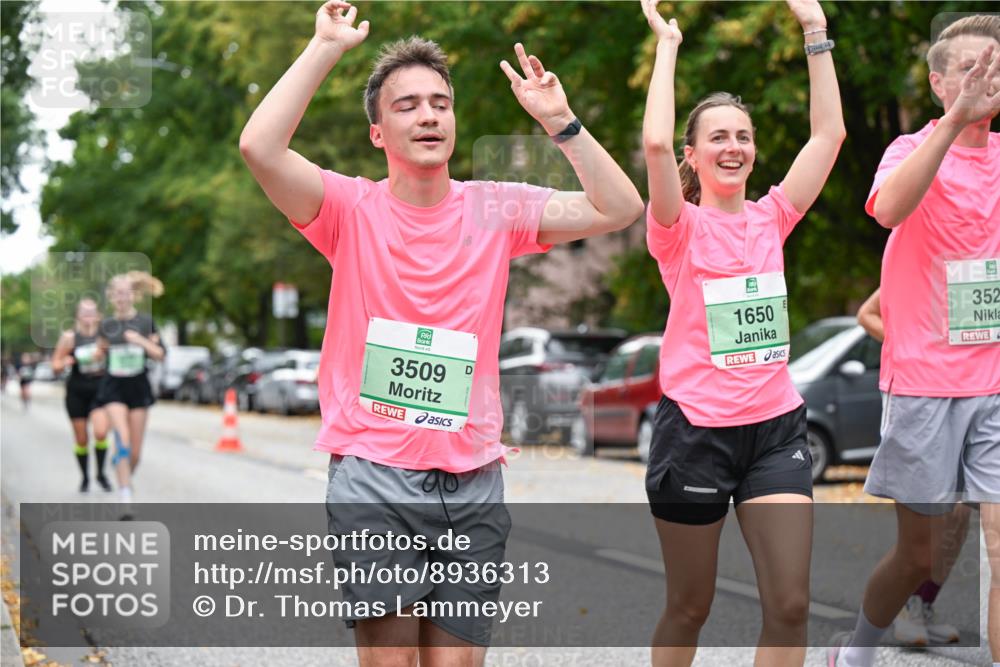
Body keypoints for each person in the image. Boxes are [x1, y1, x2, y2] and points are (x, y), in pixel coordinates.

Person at [240, 1, 643, 663]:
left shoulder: (496, 208)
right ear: (377, 132)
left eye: (440, 102)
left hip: (473, 477)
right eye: (407, 105)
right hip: (374, 473)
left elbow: (620, 207)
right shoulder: (347, 208)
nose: (428, 115)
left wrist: (559, 123)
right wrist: (324, 47)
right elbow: (259, 147)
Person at [640, 0, 844, 664]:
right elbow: (650, 145)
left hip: (775, 429)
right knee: (690, 606)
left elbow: (829, 136)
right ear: (692, 156)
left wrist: (815, 30)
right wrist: (667, 46)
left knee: (790, 605)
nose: (734, 146)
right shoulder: (677, 228)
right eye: (718, 137)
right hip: (694, 432)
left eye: (743, 136)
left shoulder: (773, 217)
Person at [828, 14, 1000, 667]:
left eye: (996, 68)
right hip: (926, 383)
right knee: (918, 557)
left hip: (996, 381)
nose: (985, 79)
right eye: (969, 68)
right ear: (937, 82)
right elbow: (889, 208)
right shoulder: (908, 148)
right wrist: (955, 122)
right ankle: (860, 650)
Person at [857, 288, 969, 647]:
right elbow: (866, 314)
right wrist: (917, 347)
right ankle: (904, 609)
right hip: (922, 395)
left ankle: (922, 601)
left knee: (961, 516)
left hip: (973, 393)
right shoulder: (920, 256)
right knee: (934, 519)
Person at [95, 272, 165, 513]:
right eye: (117, 293)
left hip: (138, 386)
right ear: (111, 297)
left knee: (135, 452)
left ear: (133, 295)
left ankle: (125, 478)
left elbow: (160, 353)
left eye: (125, 293)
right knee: (122, 437)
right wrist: (96, 354)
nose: (121, 298)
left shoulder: (146, 322)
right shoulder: (106, 325)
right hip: (113, 385)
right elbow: (100, 353)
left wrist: (140, 341)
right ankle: (125, 494)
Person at [52, 298, 113, 493]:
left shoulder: (104, 337)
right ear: (78, 315)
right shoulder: (70, 338)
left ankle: (101, 474)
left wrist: (104, 354)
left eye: (91, 312)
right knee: (81, 439)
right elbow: (55, 365)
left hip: (99, 390)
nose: (88, 316)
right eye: (84, 312)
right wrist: (67, 361)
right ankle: (85, 477)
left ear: (97, 315)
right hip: (77, 390)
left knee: (101, 432)